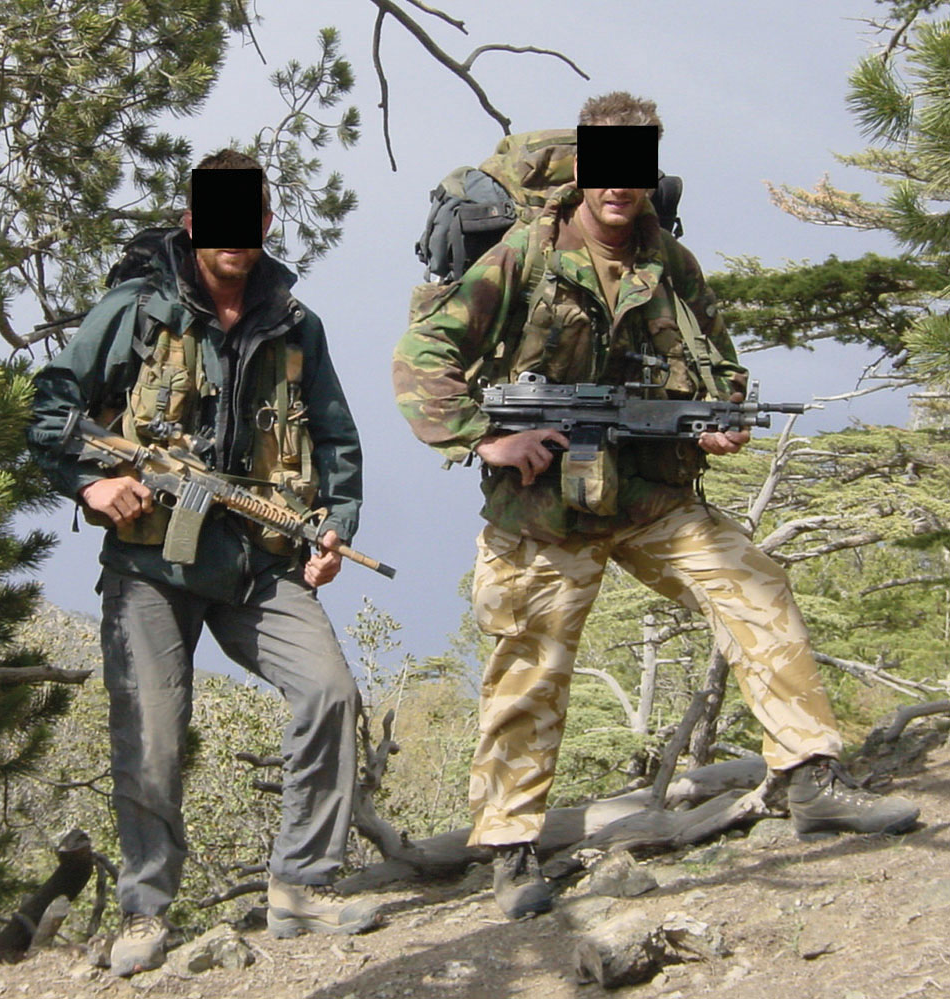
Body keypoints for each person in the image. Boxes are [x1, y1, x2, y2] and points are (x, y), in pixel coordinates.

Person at [393, 93, 919, 921]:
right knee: (526, 673)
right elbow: (425, 353)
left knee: (755, 585)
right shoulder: (525, 255)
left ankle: (809, 775)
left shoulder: (668, 261)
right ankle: (508, 847)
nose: (619, 188)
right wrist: (480, 436)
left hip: (648, 498)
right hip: (541, 511)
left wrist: (719, 421)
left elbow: (720, 364)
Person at [28, 150, 380, 976]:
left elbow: (334, 441)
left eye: (246, 217)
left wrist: (331, 529)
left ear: (263, 223)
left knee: (328, 692)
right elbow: (52, 411)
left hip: (259, 561)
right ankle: (146, 910)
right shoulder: (135, 310)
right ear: (192, 222)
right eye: (213, 217)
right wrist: (90, 485)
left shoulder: (297, 324)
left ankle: (301, 884)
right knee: (150, 733)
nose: (231, 234)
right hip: (152, 565)